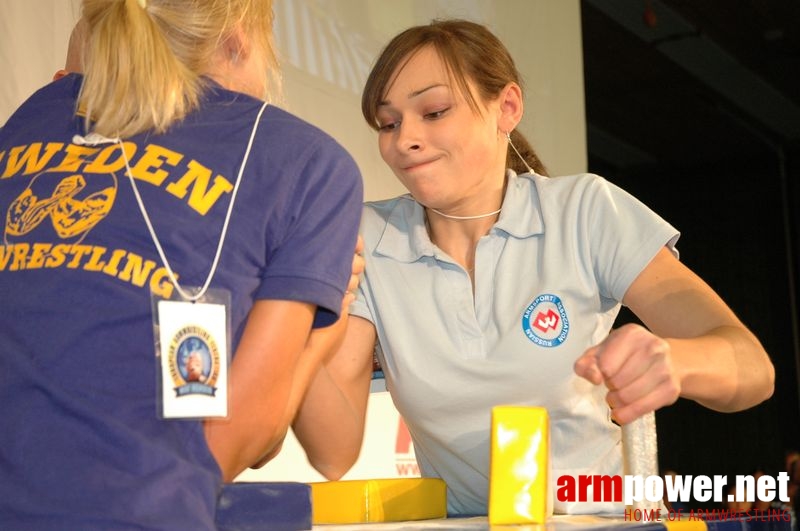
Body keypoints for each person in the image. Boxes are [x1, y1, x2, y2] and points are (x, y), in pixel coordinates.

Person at [328, 19, 776, 517]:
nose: (404, 139)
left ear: (507, 108)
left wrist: (672, 360)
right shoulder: (368, 239)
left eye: (434, 111)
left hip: (602, 521)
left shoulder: (584, 212)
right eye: (388, 123)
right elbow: (333, 445)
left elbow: (753, 370)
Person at [0, 1, 364, 529]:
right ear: (241, 38)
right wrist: (318, 343)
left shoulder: (34, 116)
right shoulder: (306, 160)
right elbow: (238, 437)